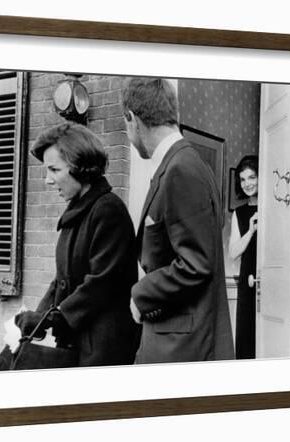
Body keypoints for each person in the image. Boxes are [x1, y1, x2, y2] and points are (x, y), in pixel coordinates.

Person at [122, 77, 234, 363]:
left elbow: (196, 264)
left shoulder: (180, 169)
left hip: (182, 346)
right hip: (175, 338)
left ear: (132, 119)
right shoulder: (184, 163)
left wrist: (141, 295)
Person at [14, 122, 140, 367]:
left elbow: (102, 282)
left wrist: (55, 317)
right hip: (79, 339)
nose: (48, 181)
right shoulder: (77, 211)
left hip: (103, 346)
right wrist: (39, 316)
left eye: (54, 169)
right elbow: (62, 280)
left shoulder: (108, 209)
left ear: (80, 168)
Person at [228, 155, 259, 359]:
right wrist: (250, 231)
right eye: (242, 179)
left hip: (267, 281)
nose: (247, 184)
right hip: (247, 284)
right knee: (246, 341)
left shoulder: (275, 208)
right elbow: (233, 253)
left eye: (252, 177)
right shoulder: (238, 214)